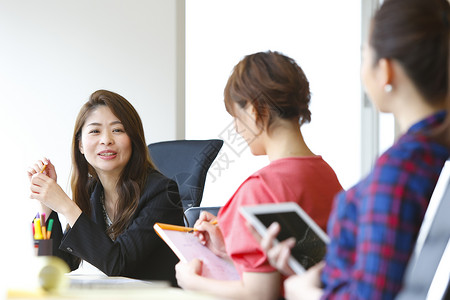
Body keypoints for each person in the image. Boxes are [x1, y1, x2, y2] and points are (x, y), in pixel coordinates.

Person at [256, 0, 450, 299]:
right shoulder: (432, 154)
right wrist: (314, 272)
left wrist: (306, 294)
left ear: (385, 70)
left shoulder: (401, 169)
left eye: (364, 54)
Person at [175, 51, 343, 299]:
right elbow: (294, 268)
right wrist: (227, 248)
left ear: (254, 110)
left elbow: (260, 293)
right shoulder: (327, 175)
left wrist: (193, 282)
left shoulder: (260, 189)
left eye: (236, 116)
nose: (235, 127)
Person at [28, 90, 185, 285]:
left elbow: (118, 264)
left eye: (117, 130)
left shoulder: (162, 193)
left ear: (133, 140)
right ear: (81, 146)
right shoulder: (94, 193)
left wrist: (66, 207)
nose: (106, 140)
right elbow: (55, 264)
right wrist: (46, 210)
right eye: (95, 131)